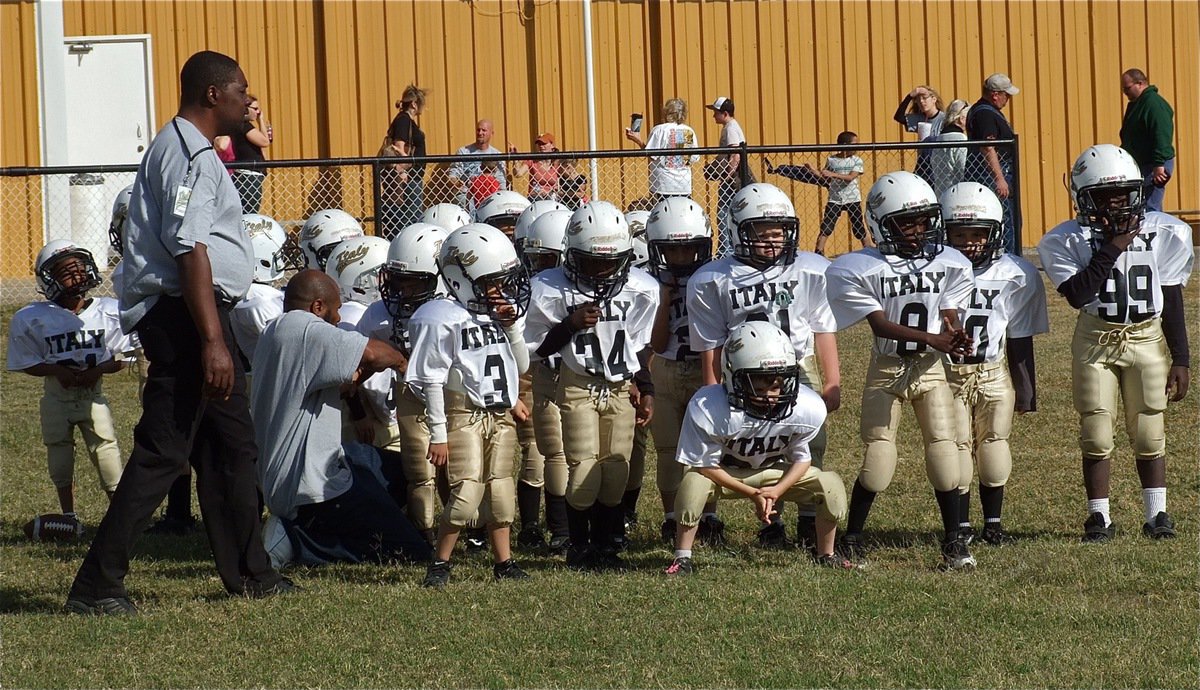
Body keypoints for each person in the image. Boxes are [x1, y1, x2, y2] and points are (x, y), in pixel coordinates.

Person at [65, 51, 288, 616]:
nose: (248, 100)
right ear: (213, 94)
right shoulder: (189, 155)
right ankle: (96, 586)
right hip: (185, 315)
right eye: (241, 90)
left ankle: (251, 573)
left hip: (198, 313)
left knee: (232, 447)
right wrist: (212, 341)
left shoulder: (192, 150)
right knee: (164, 451)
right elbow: (190, 248)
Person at [1037, 144, 1192, 543]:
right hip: (1096, 337)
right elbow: (1078, 293)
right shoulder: (1066, 239)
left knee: (1149, 429)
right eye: (1104, 197)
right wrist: (1115, 245)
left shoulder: (1164, 230)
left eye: (1123, 195)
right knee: (1096, 429)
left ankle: (1157, 514)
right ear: (1084, 198)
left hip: (1145, 336)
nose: (1116, 204)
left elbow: (1171, 296)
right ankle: (1098, 516)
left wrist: (1182, 357)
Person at [825, 171, 978, 571]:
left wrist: (955, 332)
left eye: (923, 221)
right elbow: (880, 325)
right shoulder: (862, 266)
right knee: (879, 456)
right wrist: (934, 339)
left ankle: (954, 541)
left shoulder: (949, 262)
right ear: (880, 224)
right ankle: (852, 538)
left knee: (944, 450)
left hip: (929, 369)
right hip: (888, 368)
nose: (917, 231)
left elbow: (948, 312)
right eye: (906, 223)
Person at [688, 183, 841, 550]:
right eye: (762, 233)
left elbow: (823, 327)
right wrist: (712, 388)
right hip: (743, 372)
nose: (772, 241)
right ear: (739, 231)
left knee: (809, 442)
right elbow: (711, 343)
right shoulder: (713, 278)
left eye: (779, 232)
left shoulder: (811, 268)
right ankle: (770, 521)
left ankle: (809, 518)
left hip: (797, 365)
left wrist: (832, 379)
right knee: (758, 445)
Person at [254, 270, 431, 567]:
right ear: (317, 306)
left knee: (403, 471)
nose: (338, 318)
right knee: (412, 552)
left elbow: (344, 380)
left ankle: (359, 518)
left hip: (297, 468)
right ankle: (297, 540)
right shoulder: (308, 330)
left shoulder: (275, 330)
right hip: (310, 487)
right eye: (335, 310)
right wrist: (402, 361)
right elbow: (373, 353)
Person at [524, 201, 658, 571]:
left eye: (609, 262)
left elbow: (637, 346)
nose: (601, 271)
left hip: (619, 387)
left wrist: (646, 388)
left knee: (616, 469)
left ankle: (606, 546)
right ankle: (578, 546)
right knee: (583, 467)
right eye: (591, 262)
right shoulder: (548, 288)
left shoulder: (641, 288)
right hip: (577, 385)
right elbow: (537, 349)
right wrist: (569, 325)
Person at [664, 322, 857, 575]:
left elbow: (802, 460)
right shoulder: (710, 407)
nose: (770, 396)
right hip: (726, 474)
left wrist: (777, 490)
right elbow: (705, 466)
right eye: (759, 387)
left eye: (776, 386)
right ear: (734, 379)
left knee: (830, 483)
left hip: (773, 473)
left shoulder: (804, 407)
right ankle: (682, 557)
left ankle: (826, 554)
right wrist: (751, 493)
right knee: (692, 483)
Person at [408, 224, 533, 587]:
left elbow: (519, 365)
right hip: (463, 414)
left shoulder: (494, 313)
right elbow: (432, 380)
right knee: (466, 493)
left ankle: (504, 562)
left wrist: (511, 327)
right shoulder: (440, 316)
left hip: (499, 414)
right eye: (491, 281)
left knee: (502, 491)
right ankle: (440, 563)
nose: (500, 289)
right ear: (460, 279)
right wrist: (438, 434)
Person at [940, 182, 1048, 545]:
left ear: (994, 233)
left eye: (977, 234)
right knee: (957, 446)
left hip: (992, 370)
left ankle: (993, 525)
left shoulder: (1016, 273)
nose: (969, 242)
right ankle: (962, 525)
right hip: (949, 373)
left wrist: (1026, 387)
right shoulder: (937, 270)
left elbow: (1019, 335)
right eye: (960, 234)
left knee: (994, 443)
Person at [7, 241, 132, 523]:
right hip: (56, 397)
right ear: (49, 279)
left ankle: (121, 516)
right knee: (59, 455)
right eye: (67, 271)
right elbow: (26, 361)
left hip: (92, 396)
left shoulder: (109, 310)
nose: (76, 275)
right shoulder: (32, 318)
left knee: (107, 451)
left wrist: (98, 371)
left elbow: (124, 357)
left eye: (79, 267)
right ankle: (69, 515)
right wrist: (55, 370)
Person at [364, 222, 452, 545]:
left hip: (451, 394)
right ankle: (421, 533)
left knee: (457, 468)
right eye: (397, 280)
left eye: (411, 282)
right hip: (410, 393)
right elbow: (359, 355)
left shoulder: (451, 312)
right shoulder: (379, 314)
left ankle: (466, 527)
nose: (401, 290)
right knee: (419, 470)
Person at [643, 197, 714, 544]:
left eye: (689, 248)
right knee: (668, 450)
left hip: (705, 368)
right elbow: (657, 344)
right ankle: (672, 518)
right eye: (673, 249)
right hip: (667, 368)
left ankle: (710, 516)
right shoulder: (650, 284)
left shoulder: (714, 278)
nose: (682, 256)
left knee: (709, 446)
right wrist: (665, 301)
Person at [512, 209, 574, 552]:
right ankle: (549, 528)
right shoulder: (535, 289)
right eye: (535, 259)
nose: (538, 267)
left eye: (546, 259)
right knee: (545, 451)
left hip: (577, 376)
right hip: (540, 374)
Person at [765, 131, 873, 255]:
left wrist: (832, 174)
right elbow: (824, 178)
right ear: (844, 145)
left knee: (858, 226)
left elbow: (850, 177)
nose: (857, 147)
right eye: (855, 144)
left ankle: (868, 248)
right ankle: (819, 251)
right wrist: (812, 170)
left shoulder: (856, 160)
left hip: (853, 198)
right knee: (827, 226)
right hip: (835, 198)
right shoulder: (832, 160)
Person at [966, 73, 1020, 255]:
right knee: (1006, 219)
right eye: (1006, 95)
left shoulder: (983, 111)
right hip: (992, 174)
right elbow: (988, 147)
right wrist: (999, 178)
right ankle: (1010, 257)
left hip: (992, 172)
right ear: (995, 95)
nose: (1008, 99)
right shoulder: (985, 114)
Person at [1119, 68, 1175, 213]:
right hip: (1142, 164)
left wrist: (1159, 164)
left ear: (1140, 83)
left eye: (1127, 88)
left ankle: (1154, 228)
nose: (1125, 92)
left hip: (1154, 165)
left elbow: (1161, 135)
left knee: (1150, 208)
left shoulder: (1154, 105)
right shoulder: (1137, 104)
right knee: (1140, 209)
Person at [623, 98, 699, 202]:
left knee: (662, 210)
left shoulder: (660, 130)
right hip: (684, 184)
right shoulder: (689, 131)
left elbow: (651, 155)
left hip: (663, 184)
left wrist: (638, 140)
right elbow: (694, 158)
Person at [380, 86, 429, 239]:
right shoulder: (404, 120)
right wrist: (402, 170)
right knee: (410, 219)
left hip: (412, 176)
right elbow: (397, 147)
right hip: (408, 178)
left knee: (410, 217)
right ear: (414, 104)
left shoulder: (406, 120)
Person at [705, 97, 746, 252]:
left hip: (732, 179)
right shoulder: (731, 126)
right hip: (733, 178)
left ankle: (725, 249)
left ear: (725, 113)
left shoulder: (730, 128)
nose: (713, 116)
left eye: (716, 112)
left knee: (723, 212)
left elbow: (735, 154)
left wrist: (727, 176)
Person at [893, 85, 946, 184]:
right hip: (923, 164)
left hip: (939, 163)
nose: (921, 102)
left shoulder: (944, 119)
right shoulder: (920, 119)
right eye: (918, 100)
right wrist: (909, 96)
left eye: (925, 98)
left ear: (934, 99)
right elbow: (899, 117)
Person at [448, 119, 508, 208]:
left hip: (490, 194)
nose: (480, 133)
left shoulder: (497, 155)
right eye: (478, 130)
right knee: (461, 197)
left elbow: (501, 183)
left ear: (491, 133)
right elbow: (453, 175)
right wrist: (456, 182)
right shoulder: (463, 152)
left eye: (484, 130)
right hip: (467, 193)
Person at [230, 94, 273, 214]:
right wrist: (261, 121)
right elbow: (265, 142)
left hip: (252, 176)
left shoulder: (243, 125)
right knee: (250, 213)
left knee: (250, 211)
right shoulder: (244, 126)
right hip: (248, 177)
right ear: (245, 109)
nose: (258, 112)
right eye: (255, 109)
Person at [926, 99, 971, 197]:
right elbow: (963, 168)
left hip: (940, 192)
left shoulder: (939, 138)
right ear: (962, 119)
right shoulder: (960, 139)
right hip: (956, 193)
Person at [512, 133, 564, 202]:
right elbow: (518, 174)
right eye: (539, 144)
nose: (541, 146)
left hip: (552, 197)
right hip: (535, 197)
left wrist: (551, 192)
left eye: (544, 144)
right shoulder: (532, 160)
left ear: (552, 145)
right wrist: (515, 157)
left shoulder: (557, 163)